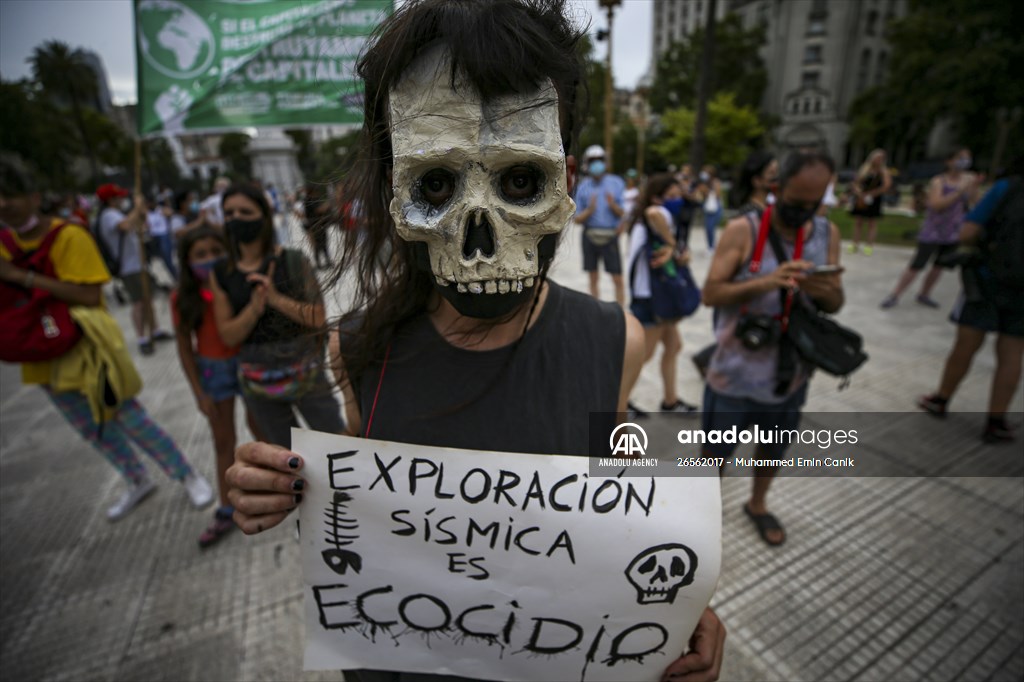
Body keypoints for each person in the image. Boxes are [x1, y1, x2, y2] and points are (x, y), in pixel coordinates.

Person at [225, 2, 726, 681]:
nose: (479, 236)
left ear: (566, 184)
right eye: (435, 184)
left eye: (524, 182)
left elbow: (610, 502)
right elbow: (355, 489)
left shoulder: (617, 341)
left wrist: (665, 607)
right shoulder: (357, 347)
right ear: (395, 193)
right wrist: (286, 487)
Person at [0, 155, 214, 521]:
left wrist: (22, 278)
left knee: (127, 416)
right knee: (89, 426)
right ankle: (135, 478)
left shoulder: (68, 235)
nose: (4, 205)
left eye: (11, 195)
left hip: (86, 349)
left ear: (34, 197)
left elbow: (87, 295)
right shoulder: (4, 242)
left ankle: (186, 474)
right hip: (40, 352)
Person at [702, 150, 844, 546]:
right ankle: (701, 509)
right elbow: (711, 293)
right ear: (775, 187)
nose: (805, 212)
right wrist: (768, 281)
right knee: (715, 454)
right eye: (797, 202)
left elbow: (835, 303)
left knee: (772, 449)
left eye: (814, 204)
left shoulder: (825, 233)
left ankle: (758, 504)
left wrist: (824, 290)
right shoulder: (743, 230)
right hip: (734, 373)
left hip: (790, 372)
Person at [208, 183, 345, 448]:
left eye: (245, 212)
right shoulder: (221, 273)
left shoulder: (293, 261)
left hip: (308, 376)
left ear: (263, 215)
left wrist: (276, 299)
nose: (236, 218)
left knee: (336, 444)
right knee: (286, 456)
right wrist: (254, 308)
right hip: (259, 387)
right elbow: (228, 335)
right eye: (229, 213)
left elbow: (317, 318)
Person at [918, 157, 1024, 443]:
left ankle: (941, 399)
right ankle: (996, 421)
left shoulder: (1008, 188)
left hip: (988, 280)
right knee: (1013, 351)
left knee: (967, 342)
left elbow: (967, 232)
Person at [173, 226, 266, 546]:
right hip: (213, 372)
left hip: (247, 362)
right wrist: (199, 392)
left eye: (216, 251)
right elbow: (185, 347)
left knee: (261, 428)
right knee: (223, 440)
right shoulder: (183, 298)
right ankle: (227, 507)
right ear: (186, 262)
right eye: (200, 255)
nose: (210, 259)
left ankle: (276, 487)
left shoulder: (234, 284)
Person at [693, 151, 779, 379]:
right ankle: (708, 361)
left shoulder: (769, 213)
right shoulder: (749, 218)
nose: (779, 180)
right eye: (773, 174)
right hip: (742, 296)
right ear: (757, 180)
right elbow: (716, 286)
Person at [626, 173, 700, 415]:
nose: (678, 200)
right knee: (643, 355)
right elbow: (654, 213)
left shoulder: (647, 220)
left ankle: (670, 401)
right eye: (673, 196)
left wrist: (676, 248)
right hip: (651, 298)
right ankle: (617, 404)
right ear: (657, 198)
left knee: (674, 346)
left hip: (655, 296)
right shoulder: (657, 213)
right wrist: (674, 245)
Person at [881, 148, 982, 309]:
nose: (963, 162)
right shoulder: (939, 181)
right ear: (949, 161)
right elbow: (937, 205)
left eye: (966, 158)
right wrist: (959, 191)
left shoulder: (968, 180)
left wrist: (974, 187)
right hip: (933, 231)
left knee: (939, 265)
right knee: (917, 265)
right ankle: (895, 294)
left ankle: (925, 293)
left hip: (952, 232)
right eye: (960, 158)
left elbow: (976, 203)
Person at [96, 183, 173, 356]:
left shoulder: (115, 213)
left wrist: (141, 211)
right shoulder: (108, 215)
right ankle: (141, 337)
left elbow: (138, 224)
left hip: (138, 263)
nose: (122, 200)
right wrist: (137, 207)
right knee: (138, 301)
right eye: (119, 197)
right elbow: (125, 226)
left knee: (147, 298)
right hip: (128, 267)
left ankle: (155, 330)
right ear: (111, 199)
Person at [574, 144, 627, 305]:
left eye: (600, 160)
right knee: (593, 276)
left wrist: (613, 206)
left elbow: (624, 213)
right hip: (590, 235)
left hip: (611, 235)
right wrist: (590, 210)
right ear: (587, 164)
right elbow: (576, 220)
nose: (597, 164)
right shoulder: (582, 186)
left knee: (617, 277)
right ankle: (595, 309)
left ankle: (620, 309)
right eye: (593, 161)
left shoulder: (617, 182)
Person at [848, 148, 892, 255]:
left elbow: (886, 186)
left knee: (872, 223)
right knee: (858, 221)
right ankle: (855, 243)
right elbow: (855, 182)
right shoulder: (865, 169)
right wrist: (859, 192)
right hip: (861, 197)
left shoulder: (883, 172)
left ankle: (869, 245)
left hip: (874, 198)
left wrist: (872, 194)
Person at [146, 197, 178, 280]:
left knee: (168, 259)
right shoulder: (147, 213)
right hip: (153, 237)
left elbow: (171, 213)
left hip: (164, 235)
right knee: (160, 260)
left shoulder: (161, 210)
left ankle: (176, 277)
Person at [301, 182, 332, 268]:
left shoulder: (315, 199)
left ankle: (327, 260)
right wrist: (327, 205)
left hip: (320, 225)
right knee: (317, 245)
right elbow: (318, 210)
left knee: (324, 243)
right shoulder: (308, 201)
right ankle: (318, 263)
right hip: (314, 226)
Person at [699, 165, 723, 250]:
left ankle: (712, 246)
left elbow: (717, 195)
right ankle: (710, 246)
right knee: (708, 228)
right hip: (707, 207)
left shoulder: (716, 182)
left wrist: (707, 191)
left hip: (716, 207)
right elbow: (703, 197)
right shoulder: (704, 183)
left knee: (711, 227)